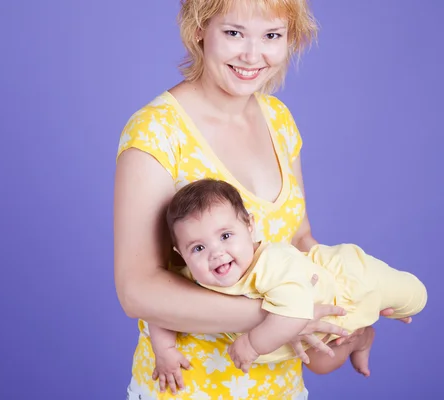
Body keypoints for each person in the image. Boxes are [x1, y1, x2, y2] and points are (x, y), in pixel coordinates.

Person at [113, 0, 409, 398]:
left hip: (281, 385)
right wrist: (283, 314)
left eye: (272, 35)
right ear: (200, 29)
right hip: (188, 388)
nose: (253, 56)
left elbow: (300, 239)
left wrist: (348, 301)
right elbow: (138, 291)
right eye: (234, 33)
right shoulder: (156, 133)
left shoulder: (278, 120)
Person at [148, 178, 427, 389]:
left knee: (414, 296)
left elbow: (294, 311)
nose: (215, 253)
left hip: (343, 286)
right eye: (197, 248)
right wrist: (166, 351)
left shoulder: (272, 263)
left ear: (250, 227)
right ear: (181, 254)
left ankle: (392, 306)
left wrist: (252, 345)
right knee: (321, 362)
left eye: (225, 236)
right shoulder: (194, 275)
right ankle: (361, 340)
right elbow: (160, 309)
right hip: (308, 332)